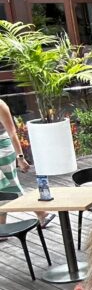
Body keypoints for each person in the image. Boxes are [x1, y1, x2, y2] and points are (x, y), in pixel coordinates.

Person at [0, 97, 52, 227]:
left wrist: (20, 157)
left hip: (2, 151)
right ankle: (2, 227)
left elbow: (12, 133)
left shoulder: (0, 105)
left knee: (11, 188)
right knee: (5, 190)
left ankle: (42, 213)